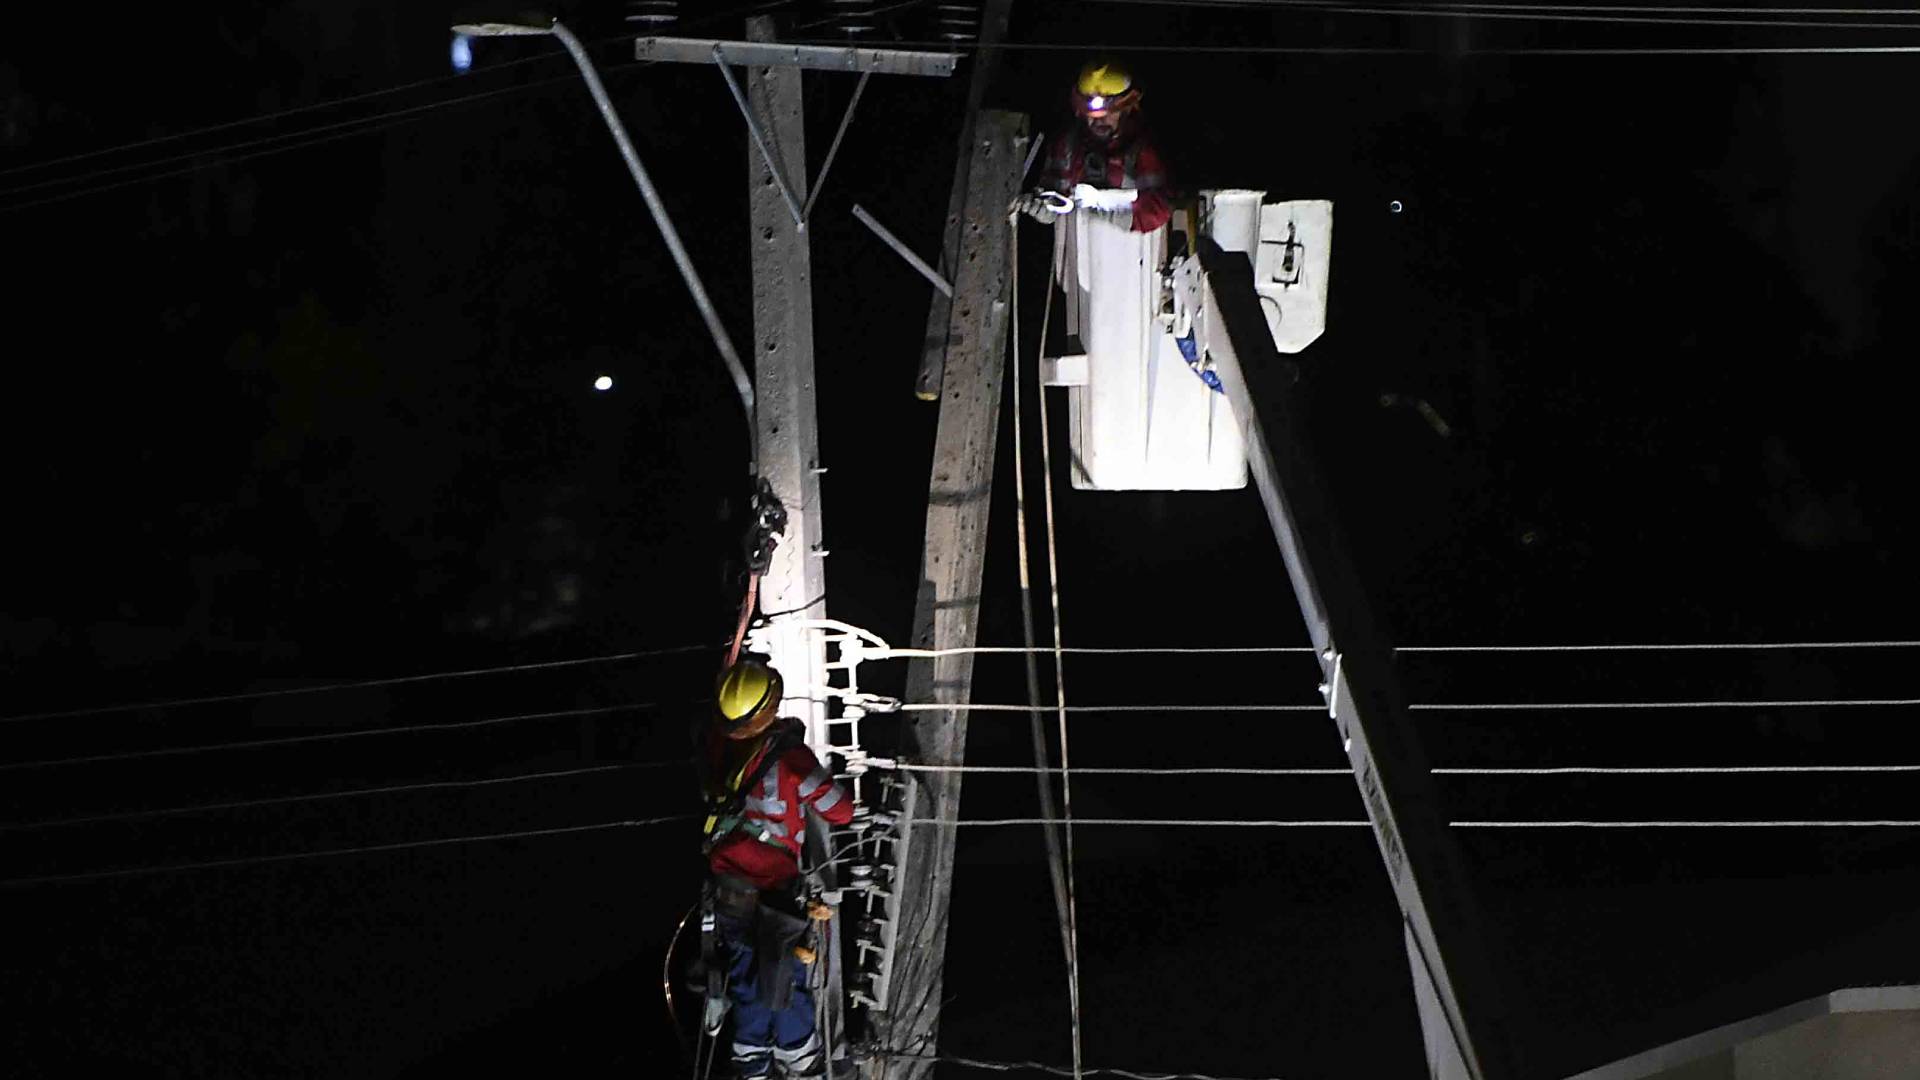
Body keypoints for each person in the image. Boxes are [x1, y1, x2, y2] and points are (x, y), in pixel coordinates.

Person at [698, 657, 854, 1080]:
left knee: (748, 984)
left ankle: (752, 1067)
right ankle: (799, 1063)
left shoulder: (715, 746)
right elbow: (840, 811)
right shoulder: (789, 758)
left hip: (728, 895)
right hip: (777, 899)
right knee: (785, 983)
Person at [1019, 60, 1172, 233]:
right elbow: (1056, 201)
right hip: (1078, 253)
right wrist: (1042, 208)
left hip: (1130, 253)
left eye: (1109, 114)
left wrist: (1101, 206)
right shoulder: (1066, 145)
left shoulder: (1143, 149)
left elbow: (1158, 210)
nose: (1099, 121)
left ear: (1127, 109)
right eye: (1090, 115)